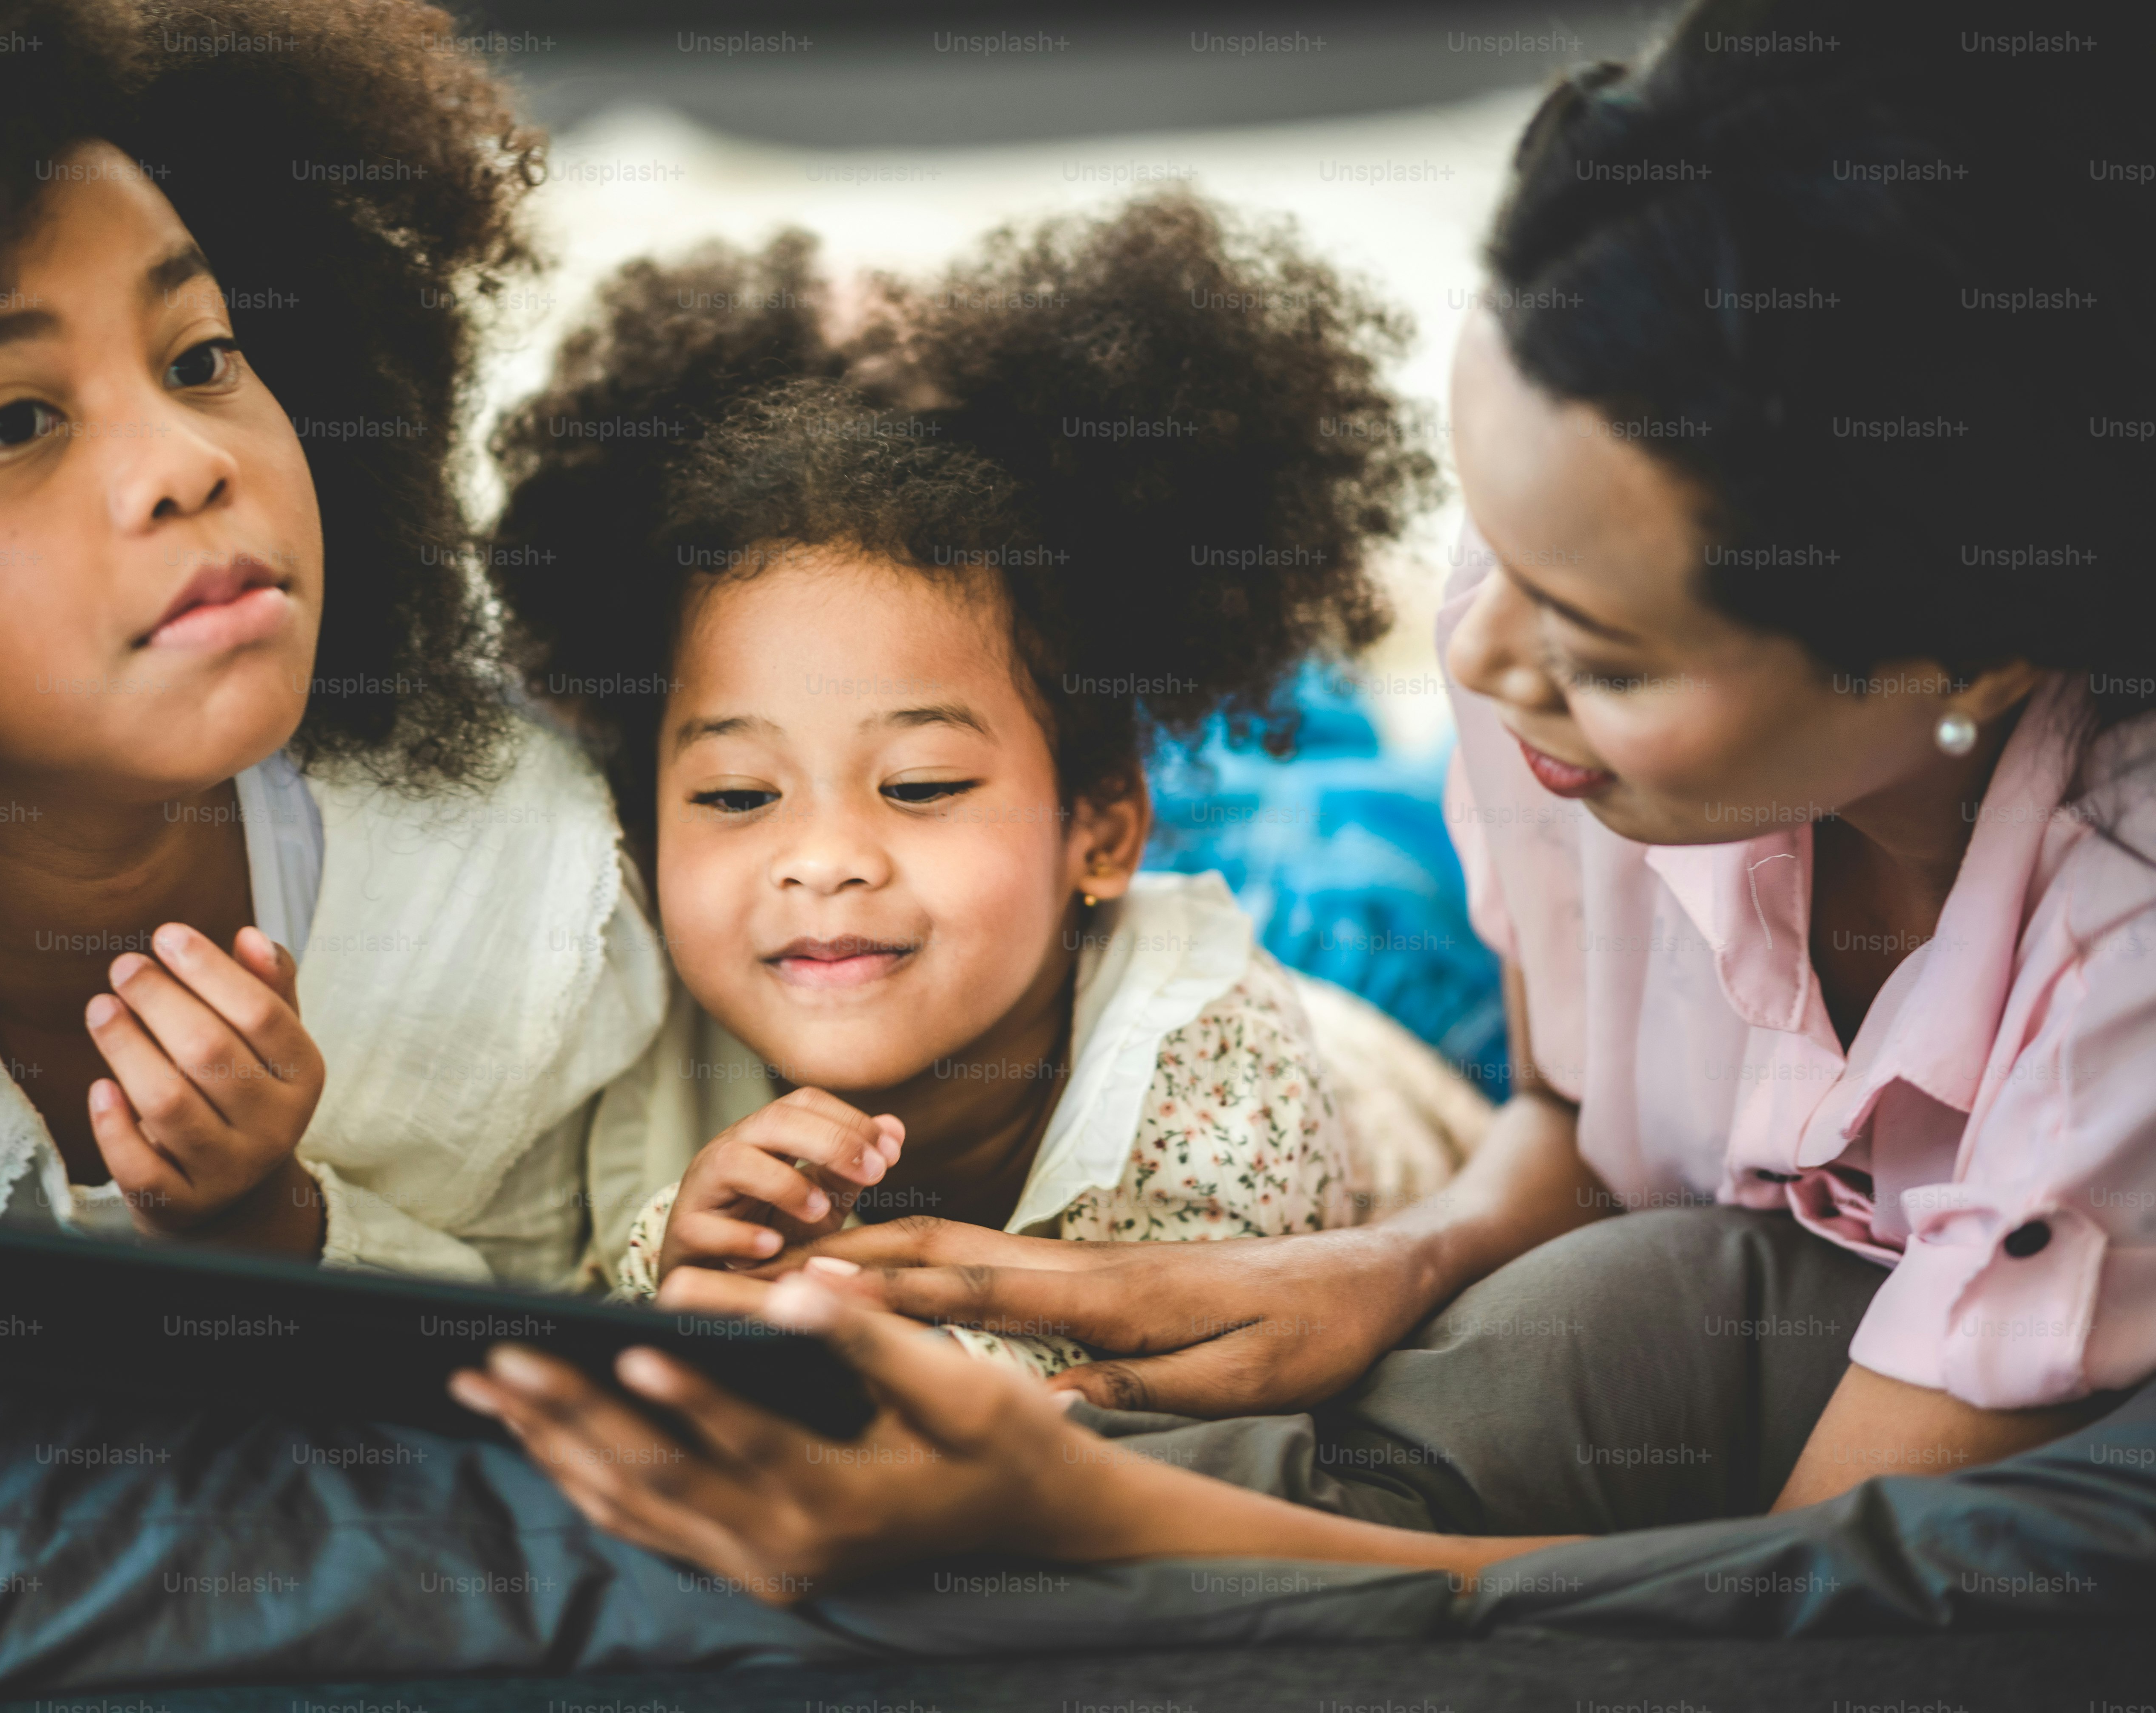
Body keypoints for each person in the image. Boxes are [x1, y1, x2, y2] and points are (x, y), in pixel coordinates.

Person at [452, 0, 2156, 1591]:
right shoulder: (1541, 676)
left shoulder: (2119, 979)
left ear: (1976, 650)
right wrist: (1392, 1264)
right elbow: (1575, 1114)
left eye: (1605, 647)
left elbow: (1787, 1613)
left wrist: (1092, 1515)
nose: (1486, 660)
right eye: (1495, 542)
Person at [0, 0, 668, 1447]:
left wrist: (259, 1226)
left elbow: (597, 1320)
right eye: (14, 420)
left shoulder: (508, 876)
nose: (188, 461)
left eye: (202, 354)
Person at [490, 200, 1491, 1378]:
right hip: (1089, 884)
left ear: (1108, 829)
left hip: (1381, 1004)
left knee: (1355, 814)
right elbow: (576, 1278)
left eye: (916, 786)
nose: (821, 860)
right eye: (736, 796)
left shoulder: (1220, 1099)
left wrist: (756, 1304)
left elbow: (1089, 1411)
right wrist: (688, 1260)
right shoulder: (640, 1014)